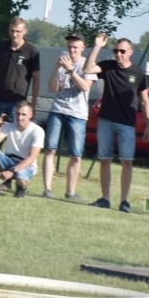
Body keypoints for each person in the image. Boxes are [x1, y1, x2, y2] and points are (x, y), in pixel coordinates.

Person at [83, 34, 149, 213]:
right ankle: (105, 199)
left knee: (126, 162)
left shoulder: (138, 73)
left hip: (127, 125)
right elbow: (87, 68)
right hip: (106, 121)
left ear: (130, 52)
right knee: (105, 160)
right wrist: (98, 46)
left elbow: (145, 100)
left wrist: (148, 124)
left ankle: (124, 202)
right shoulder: (108, 66)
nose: (118, 54)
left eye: (122, 51)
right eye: (116, 51)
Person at [42, 33, 97, 201]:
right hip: (58, 109)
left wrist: (71, 71)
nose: (72, 50)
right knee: (50, 149)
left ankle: (71, 192)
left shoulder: (87, 64)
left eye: (75, 47)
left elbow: (85, 87)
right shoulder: (62, 62)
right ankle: (47, 189)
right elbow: (52, 88)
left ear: (82, 48)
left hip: (78, 114)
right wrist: (55, 69)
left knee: (75, 154)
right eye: (69, 47)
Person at [0, 17, 41, 131]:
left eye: (18, 31)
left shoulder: (32, 52)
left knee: (12, 136)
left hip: (17, 103)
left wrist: (33, 103)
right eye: (12, 31)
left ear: (25, 31)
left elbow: (37, 78)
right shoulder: (2, 47)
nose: (14, 34)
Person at [0, 100, 44, 198]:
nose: (20, 118)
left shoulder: (37, 131)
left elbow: (32, 158)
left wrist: (12, 171)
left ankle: (21, 188)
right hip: (9, 161)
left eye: (23, 114)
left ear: (31, 115)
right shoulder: (9, 126)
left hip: (26, 166)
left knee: (21, 179)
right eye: (17, 114)